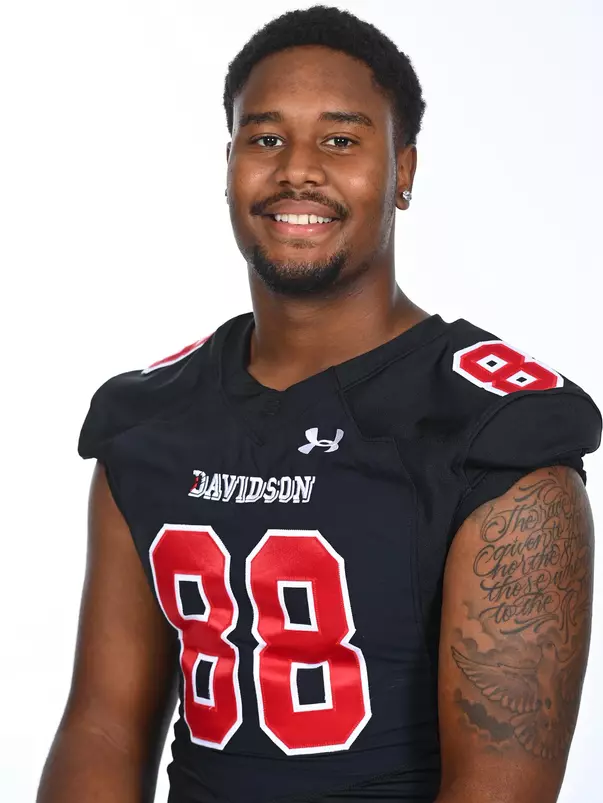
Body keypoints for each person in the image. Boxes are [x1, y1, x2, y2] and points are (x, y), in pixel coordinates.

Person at [37, 6, 601, 803]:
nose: (297, 169)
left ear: (402, 171)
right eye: (265, 138)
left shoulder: (493, 432)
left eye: (340, 139)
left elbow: (500, 791)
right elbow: (101, 727)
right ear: (228, 161)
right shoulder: (147, 420)